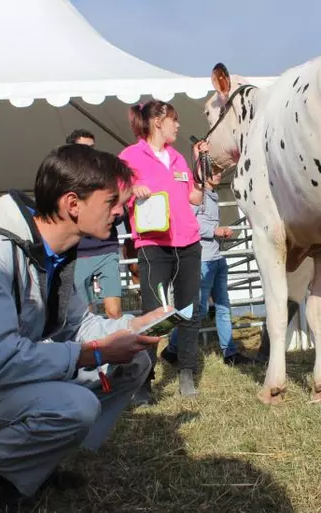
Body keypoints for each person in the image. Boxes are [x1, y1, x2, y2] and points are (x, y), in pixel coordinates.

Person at [0, 144, 172, 511]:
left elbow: (78, 326)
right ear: (73, 204)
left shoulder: (56, 254)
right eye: (113, 200)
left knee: (134, 364)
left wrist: (134, 324)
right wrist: (95, 353)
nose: (121, 210)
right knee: (75, 405)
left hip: (0, 377)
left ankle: (33, 462)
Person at [119, 100, 207, 403]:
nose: (177, 125)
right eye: (174, 119)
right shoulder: (130, 157)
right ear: (158, 121)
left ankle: (186, 372)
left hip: (188, 243)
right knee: (154, 315)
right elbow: (116, 195)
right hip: (153, 247)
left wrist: (201, 172)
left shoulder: (178, 157)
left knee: (190, 310)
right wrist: (132, 190)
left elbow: (194, 197)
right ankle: (144, 381)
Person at [170, 166, 253, 366]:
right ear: (203, 174)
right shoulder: (198, 196)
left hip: (215, 258)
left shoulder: (212, 195)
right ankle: (173, 349)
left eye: (218, 172)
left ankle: (229, 353)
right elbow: (189, 223)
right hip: (203, 260)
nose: (218, 174)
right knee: (199, 309)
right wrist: (214, 230)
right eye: (213, 171)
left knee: (223, 306)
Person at [67, 129, 125, 319]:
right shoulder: (64, 181)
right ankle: (95, 349)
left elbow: (119, 214)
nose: (90, 153)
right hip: (78, 254)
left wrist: (111, 214)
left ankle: (118, 348)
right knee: (86, 314)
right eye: (83, 148)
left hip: (106, 250)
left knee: (114, 312)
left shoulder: (109, 178)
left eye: (92, 148)